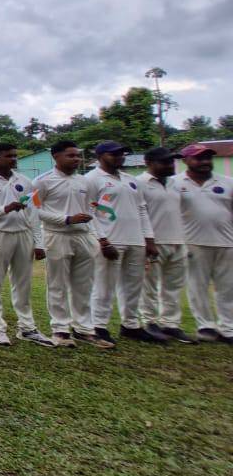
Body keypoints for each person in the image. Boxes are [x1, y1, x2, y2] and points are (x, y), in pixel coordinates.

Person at [0, 143, 53, 347]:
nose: (14, 159)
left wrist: (39, 242)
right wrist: (4, 209)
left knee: (23, 283)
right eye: (9, 156)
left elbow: (33, 212)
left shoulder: (24, 181)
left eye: (15, 156)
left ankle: (27, 327)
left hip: (23, 235)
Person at [84, 142, 164, 345]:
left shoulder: (131, 180)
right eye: (115, 154)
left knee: (133, 285)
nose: (120, 157)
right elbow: (88, 212)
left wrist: (149, 239)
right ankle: (98, 326)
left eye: (122, 154)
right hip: (110, 240)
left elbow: (142, 209)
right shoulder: (91, 179)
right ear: (100, 155)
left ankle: (130, 325)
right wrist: (102, 240)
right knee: (104, 285)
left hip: (135, 240)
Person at [34, 141, 105, 348]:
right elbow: (34, 210)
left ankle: (84, 329)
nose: (76, 159)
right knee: (58, 284)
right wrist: (65, 219)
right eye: (71, 155)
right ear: (56, 156)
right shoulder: (43, 181)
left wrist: (98, 236)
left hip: (83, 236)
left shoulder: (85, 182)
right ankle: (60, 329)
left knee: (84, 285)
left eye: (78, 155)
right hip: (57, 235)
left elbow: (93, 209)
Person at [172, 143, 233, 343]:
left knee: (228, 288)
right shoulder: (174, 183)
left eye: (208, 158)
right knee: (197, 287)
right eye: (199, 158)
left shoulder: (227, 182)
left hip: (227, 242)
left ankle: (228, 328)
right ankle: (205, 326)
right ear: (185, 161)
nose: (205, 162)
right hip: (193, 243)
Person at [136, 147, 197, 343]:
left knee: (173, 286)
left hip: (178, 241)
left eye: (172, 162)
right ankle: (150, 322)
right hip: (153, 242)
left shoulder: (175, 184)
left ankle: (171, 324)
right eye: (165, 162)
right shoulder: (139, 184)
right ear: (149, 163)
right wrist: (147, 241)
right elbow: (138, 214)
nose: (170, 165)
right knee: (150, 286)